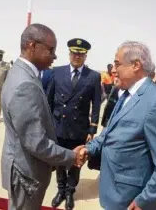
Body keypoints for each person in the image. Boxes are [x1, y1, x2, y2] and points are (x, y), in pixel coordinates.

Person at [83, 41, 156, 210]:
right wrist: (89, 148)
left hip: (131, 199)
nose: (114, 70)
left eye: (117, 64)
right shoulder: (126, 93)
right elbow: (110, 130)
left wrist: (146, 200)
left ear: (136, 65)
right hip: (114, 190)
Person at [0, 23, 87, 210]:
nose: (55, 56)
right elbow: (36, 143)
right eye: (51, 49)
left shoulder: (20, 73)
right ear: (32, 46)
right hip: (26, 172)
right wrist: (71, 156)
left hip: (22, 165)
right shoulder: (25, 84)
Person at [47, 38, 101, 210]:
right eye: (74, 53)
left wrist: (92, 128)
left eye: (80, 54)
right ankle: (61, 190)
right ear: (69, 54)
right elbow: (48, 100)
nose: (77, 56)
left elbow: (96, 104)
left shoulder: (93, 76)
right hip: (59, 126)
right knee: (60, 161)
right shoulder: (57, 72)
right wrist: (48, 124)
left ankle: (70, 191)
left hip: (79, 129)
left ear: (85, 56)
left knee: (76, 162)